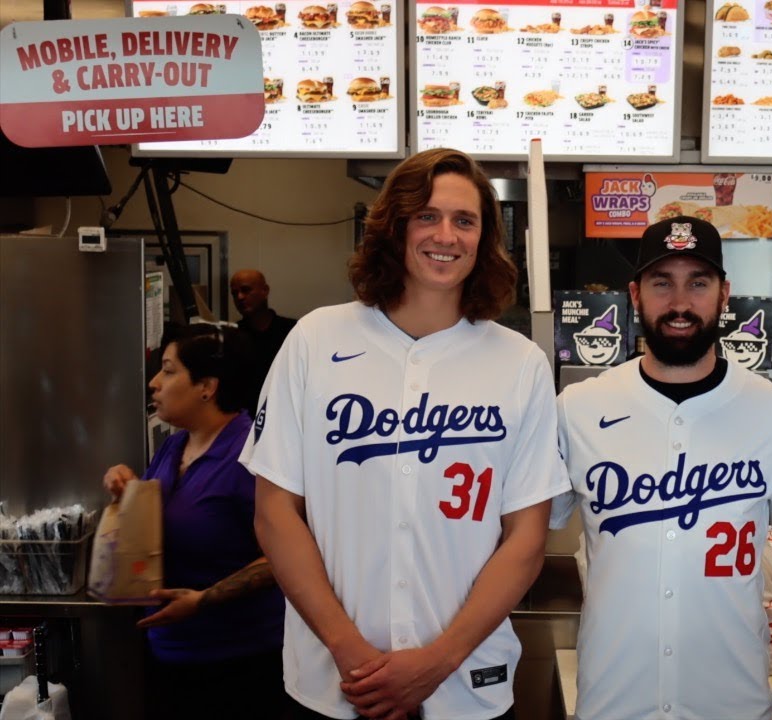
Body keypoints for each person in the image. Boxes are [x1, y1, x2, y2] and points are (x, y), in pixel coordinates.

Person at [244, 148, 568, 720]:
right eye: (427, 216)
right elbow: (274, 514)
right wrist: (349, 650)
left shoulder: (520, 364)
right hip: (332, 682)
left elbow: (526, 538)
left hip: (465, 686)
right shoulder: (315, 341)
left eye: (465, 220)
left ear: (485, 238)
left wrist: (438, 661)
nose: (446, 235)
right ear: (395, 226)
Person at [551, 216, 772, 720]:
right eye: (662, 283)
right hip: (614, 701)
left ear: (724, 294)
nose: (680, 303)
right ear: (635, 294)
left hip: (731, 702)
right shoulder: (578, 408)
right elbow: (525, 531)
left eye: (698, 283)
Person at [102, 322, 285, 720]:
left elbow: (285, 557)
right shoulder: (174, 445)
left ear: (207, 386)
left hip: (237, 662)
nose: (154, 383)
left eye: (168, 371)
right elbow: (165, 524)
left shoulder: (251, 456)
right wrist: (127, 492)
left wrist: (204, 600)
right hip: (169, 651)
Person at [229, 268, 297, 402]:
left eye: (246, 290)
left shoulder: (292, 331)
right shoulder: (232, 336)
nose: (240, 297)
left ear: (265, 291)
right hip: (246, 412)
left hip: (283, 407)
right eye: (234, 293)